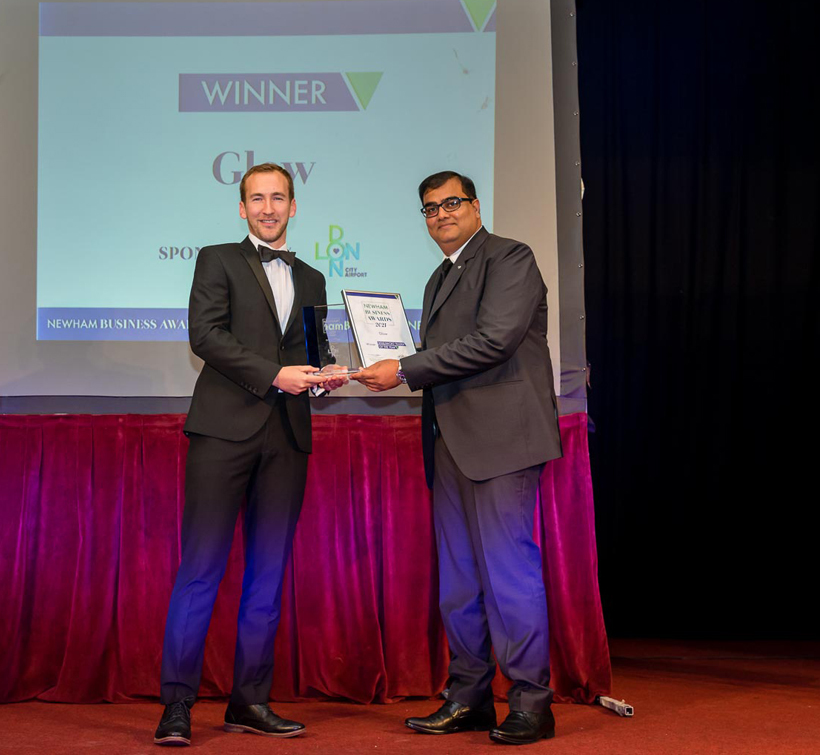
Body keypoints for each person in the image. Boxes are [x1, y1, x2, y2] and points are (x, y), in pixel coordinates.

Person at [353, 171, 562, 745]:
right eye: (430, 208)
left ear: (475, 206)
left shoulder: (509, 257)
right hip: (451, 442)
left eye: (451, 203)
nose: (441, 214)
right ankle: (469, 698)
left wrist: (403, 368)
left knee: (509, 576)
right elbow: (441, 354)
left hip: (503, 441)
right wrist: (388, 363)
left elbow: (495, 340)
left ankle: (531, 704)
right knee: (460, 582)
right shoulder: (440, 275)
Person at [155, 163, 346, 747]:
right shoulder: (217, 259)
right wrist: (275, 375)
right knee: (200, 571)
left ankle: (250, 702)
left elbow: (314, 348)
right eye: (257, 199)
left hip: (287, 439)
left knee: (267, 576)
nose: (268, 208)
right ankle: (177, 705)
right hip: (222, 433)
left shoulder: (313, 277)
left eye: (278, 198)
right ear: (242, 208)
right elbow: (206, 336)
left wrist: (326, 375)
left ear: (293, 206)